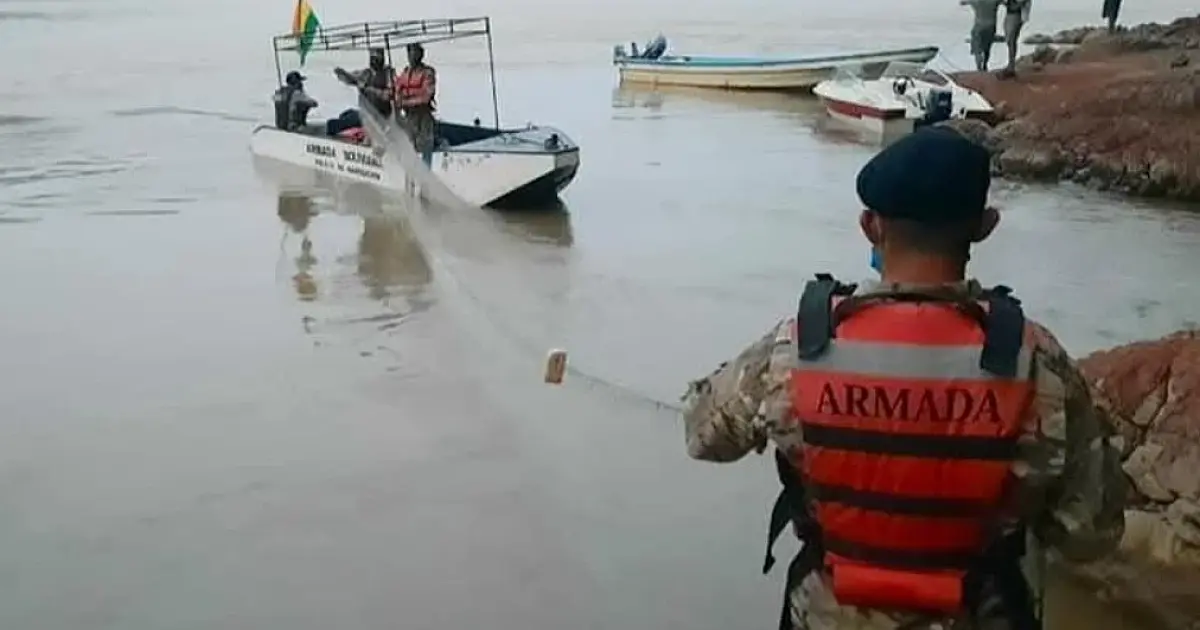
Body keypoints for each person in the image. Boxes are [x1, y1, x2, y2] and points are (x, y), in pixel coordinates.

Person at [679, 126, 1127, 630]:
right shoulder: (1036, 361)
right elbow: (1090, 532)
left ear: (871, 226)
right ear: (984, 226)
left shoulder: (800, 345)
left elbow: (703, 438)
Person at [393, 43, 438, 167]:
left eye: (416, 52)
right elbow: (398, 89)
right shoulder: (405, 72)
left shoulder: (428, 72)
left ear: (421, 54)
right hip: (409, 117)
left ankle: (426, 175)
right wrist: (399, 99)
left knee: (426, 147)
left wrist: (406, 101)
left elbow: (426, 96)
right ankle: (410, 178)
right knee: (408, 146)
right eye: (410, 52)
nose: (412, 56)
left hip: (423, 116)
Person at [336, 47, 395, 118]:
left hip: (381, 115)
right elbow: (352, 79)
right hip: (366, 114)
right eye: (372, 56)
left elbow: (388, 95)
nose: (374, 59)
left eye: (377, 56)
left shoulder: (388, 72)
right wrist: (343, 73)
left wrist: (367, 88)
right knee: (342, 117)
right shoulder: (366, 73)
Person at [961, 0, 1002, 72]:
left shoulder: (976, 2)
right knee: (987, 47)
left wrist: (965, 2)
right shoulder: (994, 1)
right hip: (991, 26)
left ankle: (978, 66)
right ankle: (985, 64)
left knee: (977, 47)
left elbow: (963, 2)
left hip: (979, 26)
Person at [1002, 0, 1032, 77]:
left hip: (1016, 15)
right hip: (1011, 14)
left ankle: (1011, 67)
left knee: (1011, 40)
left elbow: (1016, 5)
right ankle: (1011, 65)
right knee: (1010, 40)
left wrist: (1008, 3)